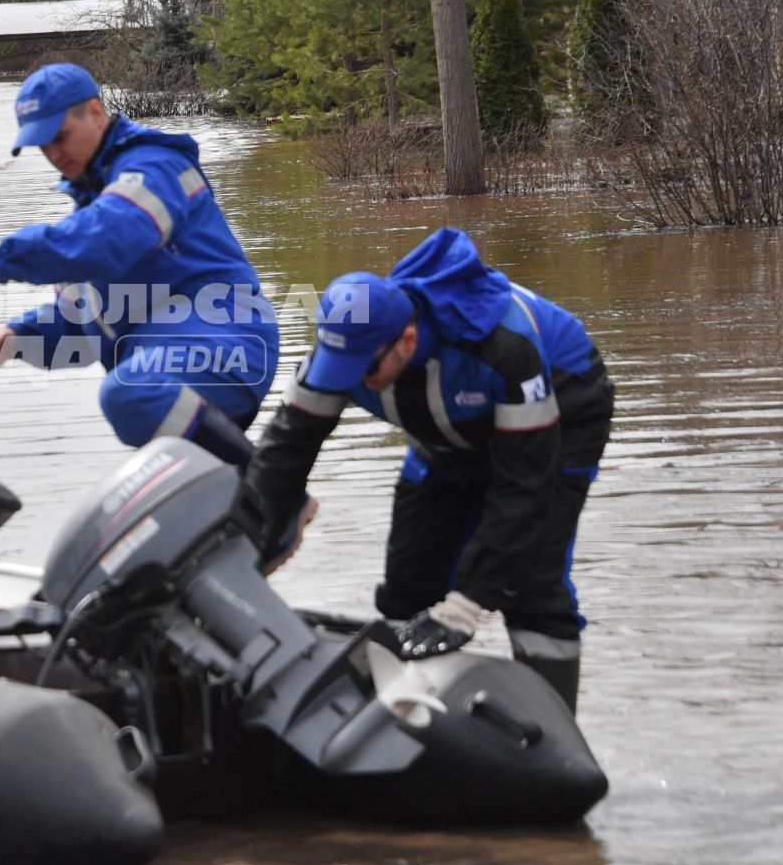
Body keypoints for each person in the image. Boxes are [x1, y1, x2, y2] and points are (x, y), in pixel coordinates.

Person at [233, 227, 614, 712]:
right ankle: (411, 722)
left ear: (408, 340)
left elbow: (524, 488)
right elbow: (285, 450)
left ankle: (557, 734)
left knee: (530, 578)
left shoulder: (503, 352)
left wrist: (466, 605)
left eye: (363, 372)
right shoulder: (347, 349)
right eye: (339, 370)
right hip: (447, 434)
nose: (351, 383)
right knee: (407, 588)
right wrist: (244, 543)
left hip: (563, 414)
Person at [0, 63, 279, 465]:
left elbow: (107, 240)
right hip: (171, 357)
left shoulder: (153, 167)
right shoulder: (95, 205)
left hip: (228, 339)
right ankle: (255, 509)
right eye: (42, 145)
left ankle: (273, 495)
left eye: (60, 137)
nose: (53, 153)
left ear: (95, 112)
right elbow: (88, 324)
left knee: (129, 391)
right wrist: (20, 337)